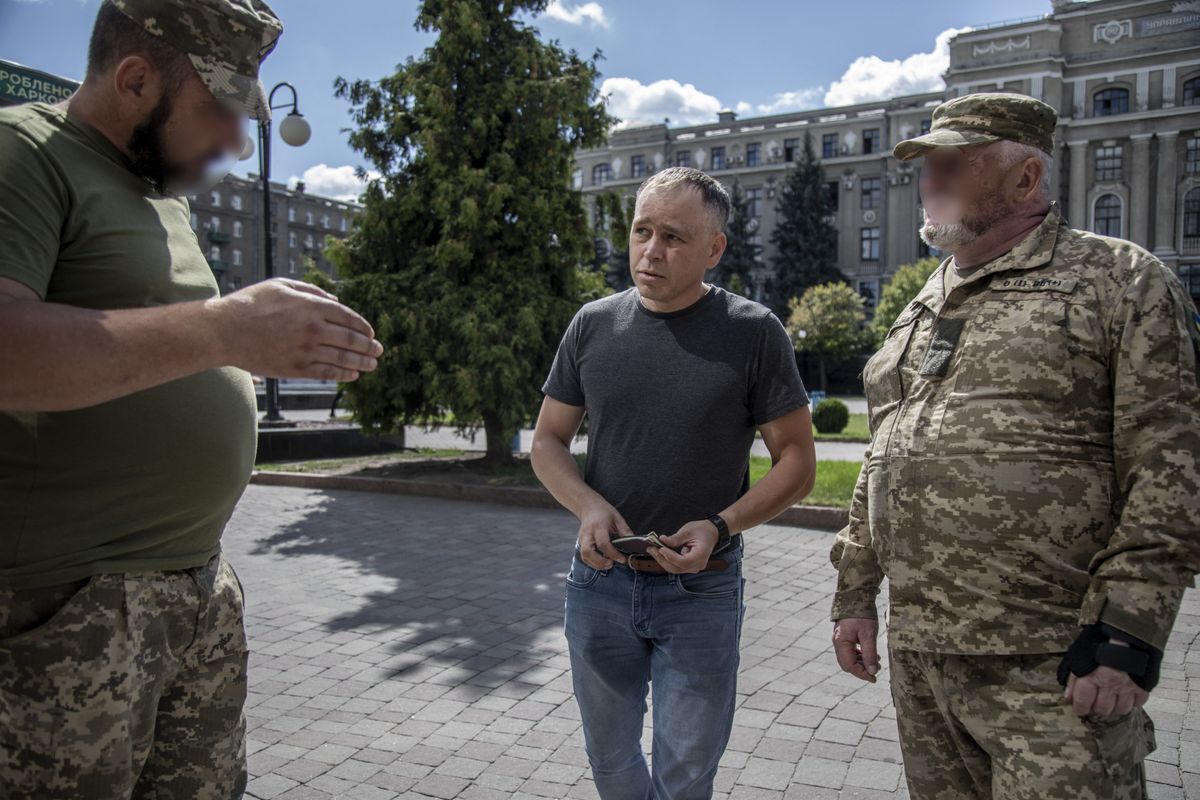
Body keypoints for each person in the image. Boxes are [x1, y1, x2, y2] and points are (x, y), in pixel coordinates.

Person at [0, 1, 383, 796]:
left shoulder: (160, 194)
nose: (239, 143)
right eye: (219, 112)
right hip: (71, 607)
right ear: (135, 78)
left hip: (194, 592)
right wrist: (224, 331)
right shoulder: (24, 153)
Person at [829, 92, 1200, 799]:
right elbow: (885, 452)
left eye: (952, 164)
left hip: (1054, 663)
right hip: (925, 657)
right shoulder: (926, 298)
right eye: (925, 164)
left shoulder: (1118, 280)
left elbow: (1172, 464)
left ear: (1026, 180)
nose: (929, 180)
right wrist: (854, 594)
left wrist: (1127, 635)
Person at [532, 167, 816, 799]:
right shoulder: (593, 325)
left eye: (674, 237)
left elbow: (797, 461)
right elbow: (548, 441)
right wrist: (588, 506)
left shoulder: (753, 332)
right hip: (599, 585)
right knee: (609, 759)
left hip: (701, 592)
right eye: (642, 231)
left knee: (687, 774)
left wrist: (721, 526)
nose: (651, 250)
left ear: (714, 249)